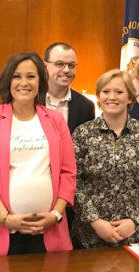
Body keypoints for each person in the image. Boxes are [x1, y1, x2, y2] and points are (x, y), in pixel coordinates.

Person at [0, 52, 76, 257]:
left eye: (31, 76)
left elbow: (68, 172)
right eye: (17, 76)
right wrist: (5, 218)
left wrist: (55, 215)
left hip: (49, 229)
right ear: (8, 81)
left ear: (40, 82)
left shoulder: (56, 120)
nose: (23, 83)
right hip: (0, 229)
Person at [72, 69, 139, 249]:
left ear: (130, 98)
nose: (112, 97)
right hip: (90, 236)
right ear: (98, 97)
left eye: (119, 92)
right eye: (106, 92)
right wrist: (95, 221)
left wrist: (134, 221)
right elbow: (73, 180)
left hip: (136, 236)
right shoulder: (82, 134)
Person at [43, 42, 95, 248]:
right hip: (37, 188)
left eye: (71, 65)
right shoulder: (29, 100)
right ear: (45, 65)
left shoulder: (85, 107)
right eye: (59, 64)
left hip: (68, 196)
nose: (66, 70)